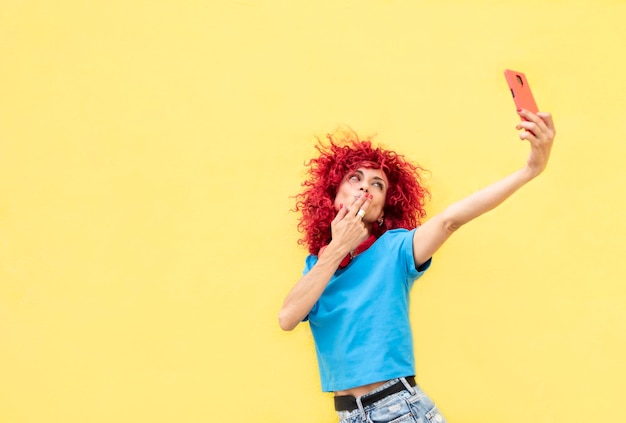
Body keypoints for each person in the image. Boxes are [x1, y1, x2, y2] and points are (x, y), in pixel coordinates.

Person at [278, 109, 556, 423]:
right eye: (354, 178)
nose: (364, 188)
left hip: (398, 411)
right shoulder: (318, 267)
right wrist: (337, 247)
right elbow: (287, 318)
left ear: (383, 209)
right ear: (333, 192)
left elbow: (451, 220)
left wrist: (530, 169)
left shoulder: (394, 249)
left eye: (377, 185)